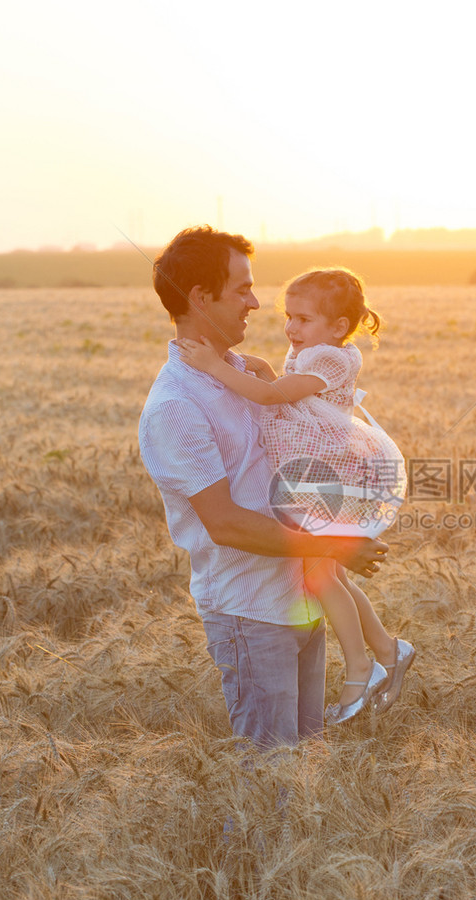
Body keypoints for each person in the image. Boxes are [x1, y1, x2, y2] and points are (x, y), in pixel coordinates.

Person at [138, 226, 389, 751]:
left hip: (301, 598)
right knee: (266, 778)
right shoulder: (177, 406)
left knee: (304, 771)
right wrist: (334, 543)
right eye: (242, 289)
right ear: (202, 298)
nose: (256, 303)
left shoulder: (240, 374)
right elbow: (225, 522)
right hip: (250, 613)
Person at [177, 268, 415, 725]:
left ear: (338, 327)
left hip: (329, 476)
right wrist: (265, 367)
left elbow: (271, 397)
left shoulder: (333, 359)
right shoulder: (311, 350)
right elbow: (284, 387)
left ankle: (363, 667)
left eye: (302, 319)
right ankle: (386, 648)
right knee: (326, 573)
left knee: (320, 576)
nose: (290, 328)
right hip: (313, 475)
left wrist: (215, 367)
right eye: (288, 317)